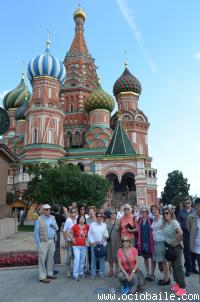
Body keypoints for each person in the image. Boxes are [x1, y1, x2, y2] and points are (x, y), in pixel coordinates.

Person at [162, 206, 186, 297]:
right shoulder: (165, 223)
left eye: (167, 213)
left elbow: (181, 233)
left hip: (176, 248)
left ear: (171, 214)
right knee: (174, 267)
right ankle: (177, 284)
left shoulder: (174, 222)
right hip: (170, 248)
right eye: (164, 213)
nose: (165, 215)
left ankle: (182, 287)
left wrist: (176, 242)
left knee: (178, 267)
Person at [34, 204, 58, 283]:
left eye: (49, 209)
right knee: (42, 259)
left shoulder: (53, 218)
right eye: (46, 209)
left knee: (50, 259)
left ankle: (49, 274)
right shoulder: (39, 219)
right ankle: (42, 277)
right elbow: (36, 232)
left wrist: (54, 225)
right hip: (43, 242)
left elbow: (57, 228)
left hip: (51, 241)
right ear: (43, 210)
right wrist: (38, 244)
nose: (48, 211)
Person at [177, 196, 198, 276]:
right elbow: (178, 224)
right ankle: (188, 269)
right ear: (184, 203)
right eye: (185, 203)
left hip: (195, 233)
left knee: (194, 251)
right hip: (185, 233)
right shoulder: (181, 212)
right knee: (187, 252)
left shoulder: (195, 211)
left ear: (191, 202)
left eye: (188, 203)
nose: (187, 204)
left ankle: (193, 267)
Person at [151, 205, 170, 285]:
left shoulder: (163, 217)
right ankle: (166, 277)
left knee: (164, 261)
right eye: (153, 210)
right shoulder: (154, 218)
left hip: (162, 241)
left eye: (156, 209)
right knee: (162, 261)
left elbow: (170, 223)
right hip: (156, 241)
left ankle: (167, 279)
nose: (155, 211)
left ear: (159, 210)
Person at [88, 211, 109, 279]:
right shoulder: (92, 225)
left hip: (102, 245)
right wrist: (92, 242)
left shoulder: (104, 225)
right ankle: (93, 273)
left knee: (102, 260)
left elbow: (106, 234)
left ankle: (101, 273)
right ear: (96, 217)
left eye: (101, 217)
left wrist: (102, 240)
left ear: (102, 218)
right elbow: (89, 234)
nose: (99, 218)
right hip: (94, 245)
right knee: (93, 260)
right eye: (98, 216)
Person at [68, 215, 89, 281]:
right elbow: (68, 232)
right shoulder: (75, 226)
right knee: (77, 259)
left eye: (83, 218)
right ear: (78, 219)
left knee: (82, 259)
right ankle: (75, 274)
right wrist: (72, 239)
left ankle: (81, 272)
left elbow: (90, 233)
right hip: (76, 245)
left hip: (84, 245)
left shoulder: (87, 226)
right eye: (81, 218)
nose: (82, 219)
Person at [137, 206, 155, 281]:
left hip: (150, 242)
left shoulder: (151, 220)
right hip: (143, 242)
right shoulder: (139, 220)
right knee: (145, 258)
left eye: (145, 212)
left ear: (147, 212)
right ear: (141, 213)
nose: (144, 213)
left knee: (153, 258)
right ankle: (147, 273)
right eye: (142, 212)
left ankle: (152, 274)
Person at [187, 197, 200, 281]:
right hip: (197, 248)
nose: (199, 208)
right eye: (198, 206)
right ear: (195, 206)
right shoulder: (191, 217)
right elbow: (189, 229)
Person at [63, 208, 77, 277]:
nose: (73, 213)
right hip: (69, 241)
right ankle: (68, 270)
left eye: (74, 212)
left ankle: (74, 270)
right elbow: (64, 231)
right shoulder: (68, 220)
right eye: (72, 212)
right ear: (70, 213)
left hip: (76, 241)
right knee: (69, 256)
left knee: (75, 256)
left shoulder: (77, 220)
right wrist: (65, 241)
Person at [106, 209, 120, 277]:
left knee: (117, 255)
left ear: (116, 214)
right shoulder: (106, 221)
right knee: (110, 255)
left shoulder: (119, 221)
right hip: (109, 241)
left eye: (113, 213)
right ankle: (111, 270)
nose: (112, 214)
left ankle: (117, 270)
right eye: (111, 213)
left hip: (117, 241)